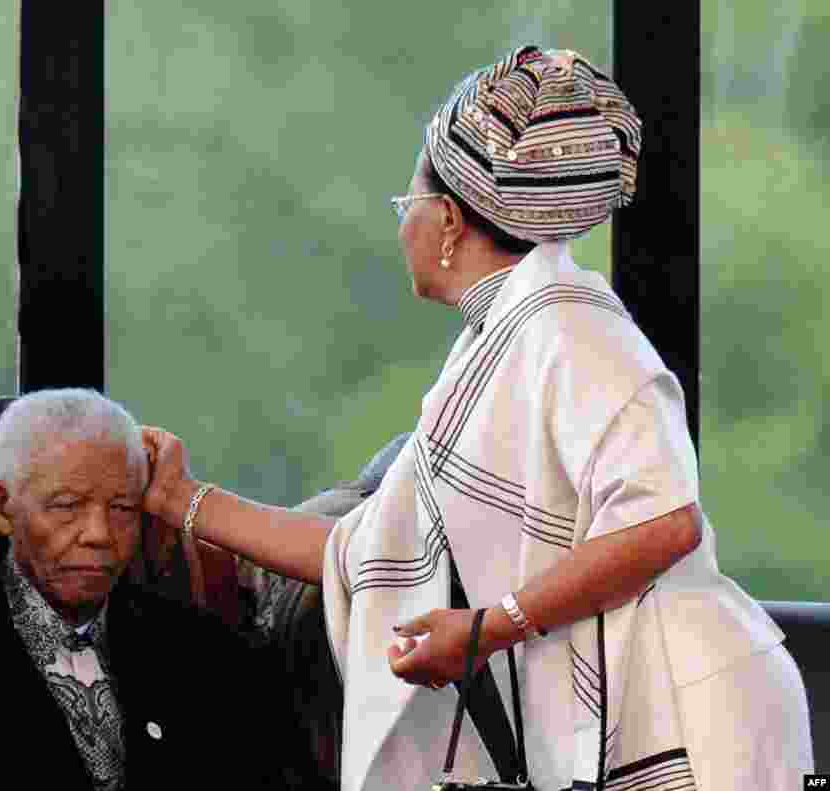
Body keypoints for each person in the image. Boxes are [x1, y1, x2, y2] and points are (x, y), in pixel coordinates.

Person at [142, 45, 814, 791]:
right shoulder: (500, 344)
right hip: (645, 710)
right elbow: (365, 553)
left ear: (450, 220)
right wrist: (183, 501)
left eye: (407, 206)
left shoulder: (571, 330)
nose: (403, 228)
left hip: (689, 715)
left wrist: (491, 627)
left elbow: (667, 522)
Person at [0, 389, 291, 790]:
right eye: (67, 506)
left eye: (124, 508)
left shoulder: (212, 660)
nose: (99, 534)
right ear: (3, 508)